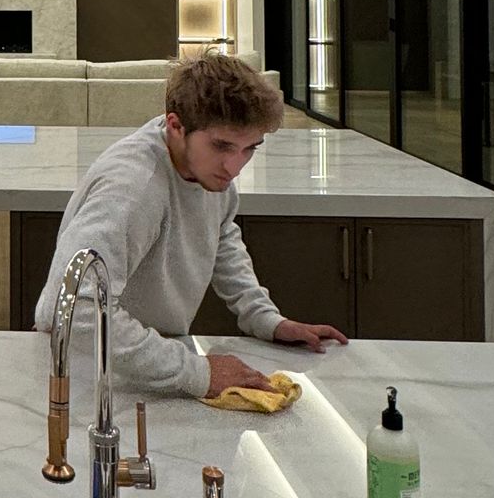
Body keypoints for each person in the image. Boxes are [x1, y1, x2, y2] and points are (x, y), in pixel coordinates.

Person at [34, 51, 347, 401]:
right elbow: (77, 311)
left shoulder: (206, 168)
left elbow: (221, 235)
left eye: (249, 149)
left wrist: (264, 318)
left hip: (148, 364)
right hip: (85, 375)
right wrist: (196, 371)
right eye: (223, 146)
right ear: (175, 126)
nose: (234, 166)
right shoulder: (133, 188)